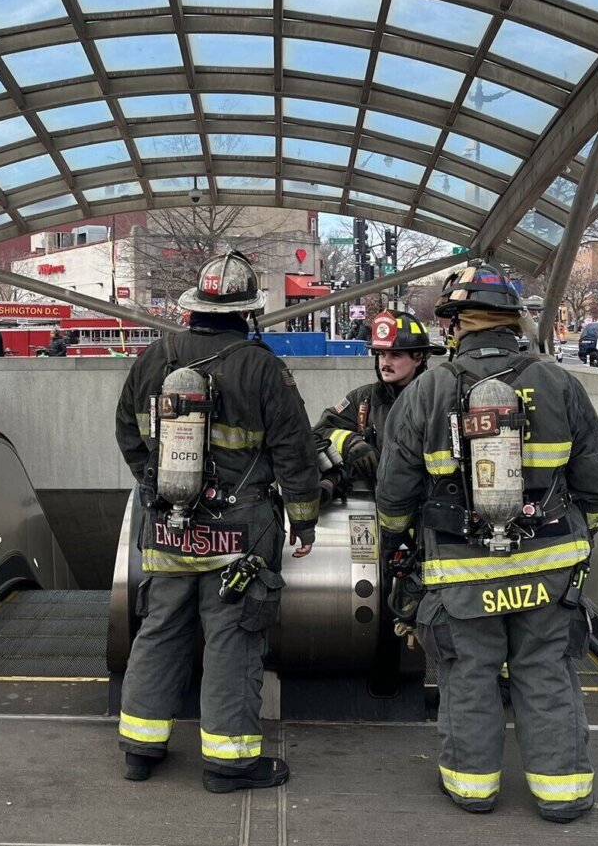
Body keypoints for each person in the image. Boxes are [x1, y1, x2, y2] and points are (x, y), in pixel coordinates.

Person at [375, 262, 598, 823]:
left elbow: (394, 490)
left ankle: (472, 789)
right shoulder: (559, 384)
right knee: (546, 670)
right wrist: (585, 536)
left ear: (454, 325)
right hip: (549, 564)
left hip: (461, 570)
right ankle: (563, 795)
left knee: (469, 674)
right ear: (513, 321)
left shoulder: (428, 390)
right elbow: (596, 482)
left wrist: (397, 546)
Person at [114, 250, 320, 793]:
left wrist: (155, 484)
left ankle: (140, 748)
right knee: (232, 638)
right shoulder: (263, 367)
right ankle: (230, 763)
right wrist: (303, 521)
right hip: (241, 532)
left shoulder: (154, 359)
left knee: (160, 631)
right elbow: (295, 452)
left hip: (166, 527)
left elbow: (127, 432)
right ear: (248, 311)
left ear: (196, 305)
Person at [312, 309, 444, 505]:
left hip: (426, 509)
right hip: (376, 506)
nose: (385, 363)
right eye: (381, 354)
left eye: (395, 355)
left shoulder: (435, 400)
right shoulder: (363, 399)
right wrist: (349, 442)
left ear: (418, 358)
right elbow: (321, 431)